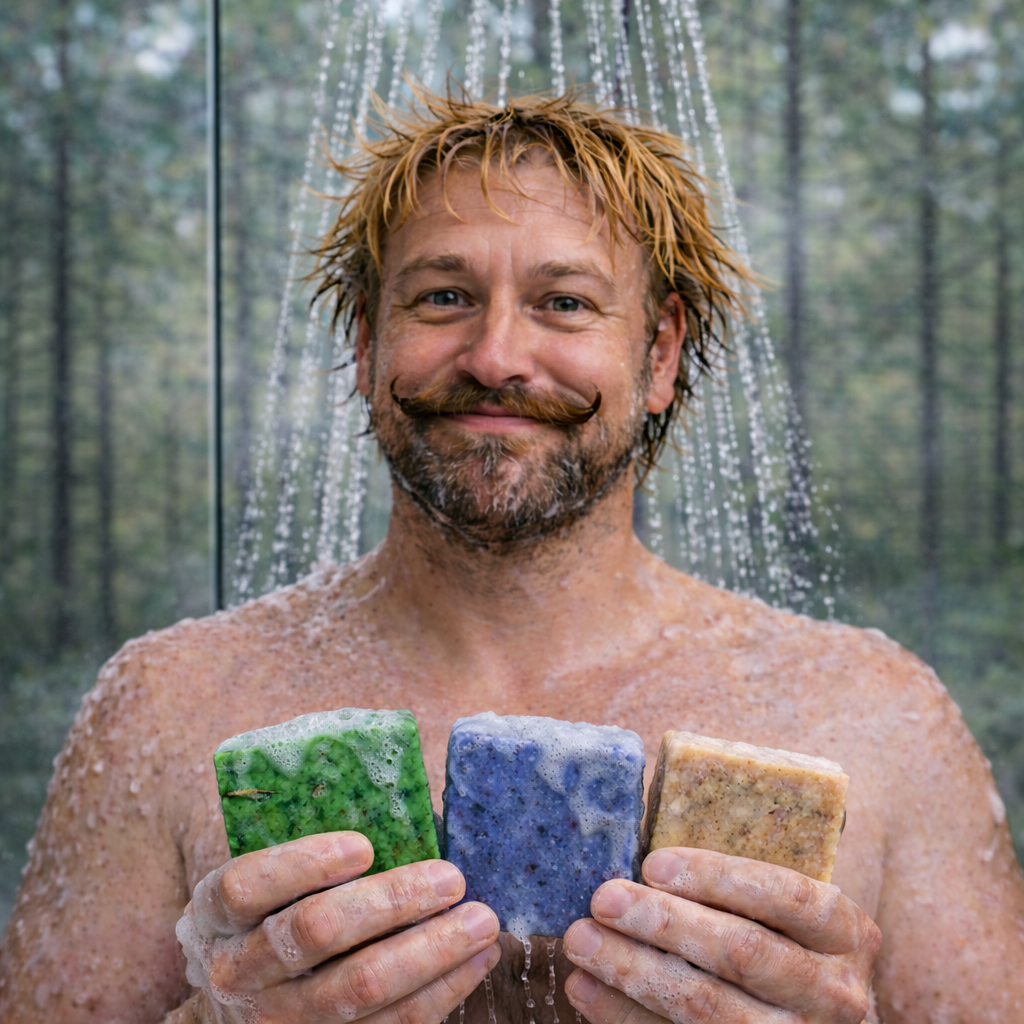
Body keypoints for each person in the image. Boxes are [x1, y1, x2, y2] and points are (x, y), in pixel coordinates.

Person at [1, 91, 1022, 1024]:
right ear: (365, 343)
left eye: (564, 302)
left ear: (658, 354)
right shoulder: (170, 703)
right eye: (442, 298)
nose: (494, 356)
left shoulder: (874, 717)